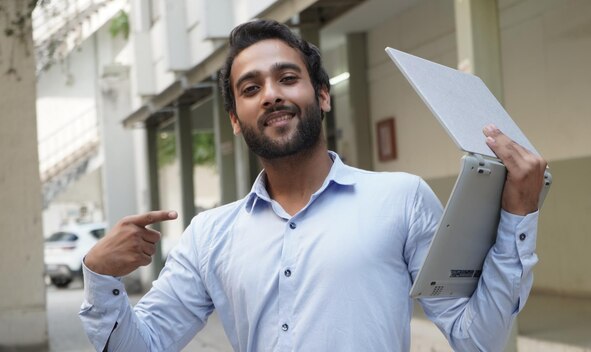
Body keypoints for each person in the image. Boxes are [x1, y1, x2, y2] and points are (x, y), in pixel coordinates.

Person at [80, 19, 547, 351]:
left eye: (287, 78)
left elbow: (476, 337)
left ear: (321, 95)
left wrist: (517, 220)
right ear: (235, 122)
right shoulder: (208, 236)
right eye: (250, 88)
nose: (272, 94)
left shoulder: (401, 200)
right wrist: (100, 279)